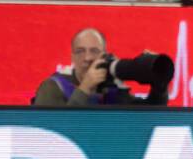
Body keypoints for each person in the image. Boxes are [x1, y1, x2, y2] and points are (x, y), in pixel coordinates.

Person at [32, 27, 171, 106]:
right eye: (80, 51)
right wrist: (85, 88)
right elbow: (52, 129)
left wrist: (159, 85)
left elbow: (150, 117)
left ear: (104, 55)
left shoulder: (110, 88)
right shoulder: (54, 86)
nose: (87, 58)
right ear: (72, 57)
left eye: (94, 51)